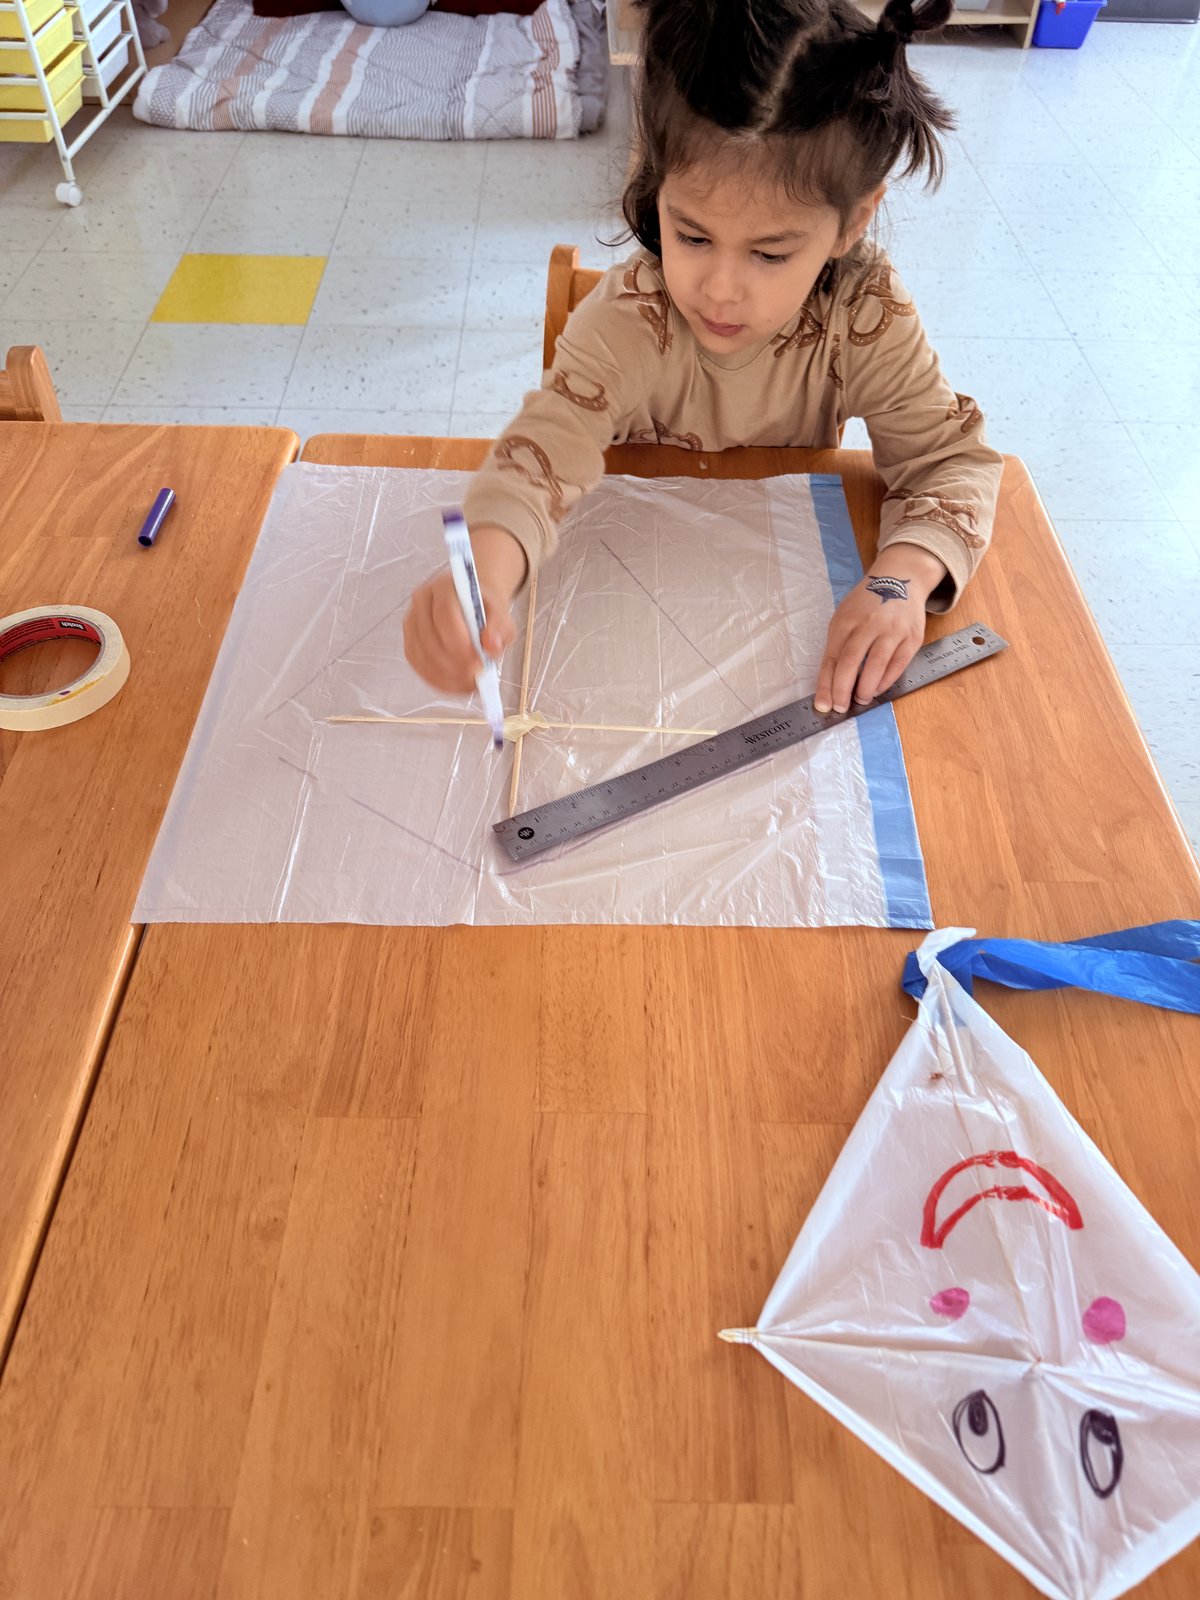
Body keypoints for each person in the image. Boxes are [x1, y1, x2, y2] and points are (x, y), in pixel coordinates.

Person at [404, 0, 1002, 719]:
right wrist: (485, 576)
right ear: (659, 191)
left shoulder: (865, 318)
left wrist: (900, 579)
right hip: (626, 599)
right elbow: (540, 456)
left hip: (769, 602)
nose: (719, 289)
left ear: (852, 222)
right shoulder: (632, 316)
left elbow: (951, 463)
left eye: (769, 253)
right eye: (690, 237)